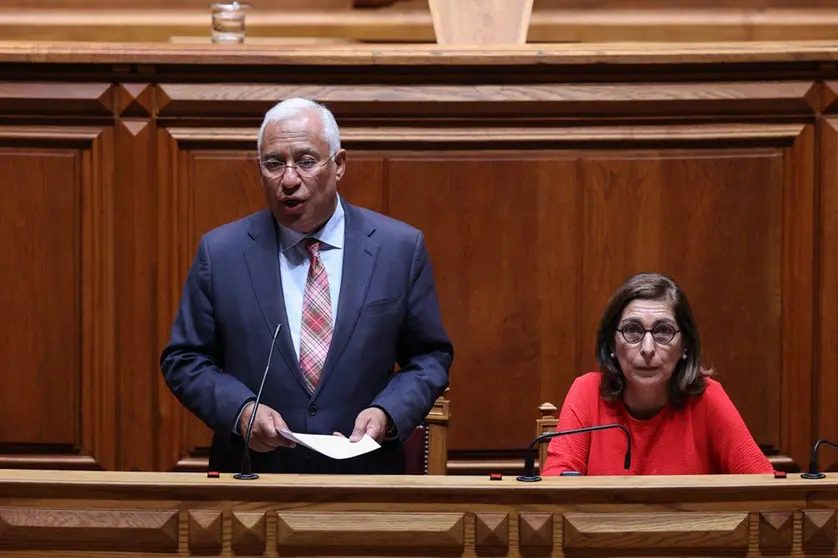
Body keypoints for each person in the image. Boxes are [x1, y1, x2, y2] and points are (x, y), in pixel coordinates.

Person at [160, 98, 453, 474]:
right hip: (254, 479)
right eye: (274, 163)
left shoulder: (398, 249)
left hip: (363, 482)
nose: (289, 179)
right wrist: (240, 410)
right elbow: (184, 360)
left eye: (306, 160)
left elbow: (429, 357)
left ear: (339, 165)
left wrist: (387, 411)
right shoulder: (221, 253)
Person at [542, 272, 772, 476]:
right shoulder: (587, 392)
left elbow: (765, 488)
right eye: (632, 330)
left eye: (663, 331)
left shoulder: (707, 398)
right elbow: (554, 495)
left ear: (685, 346)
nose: (648, 348)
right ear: (612, 343)